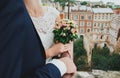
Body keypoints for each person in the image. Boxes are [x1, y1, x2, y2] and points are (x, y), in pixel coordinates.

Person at [0, 0, 76, 78]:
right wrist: (51, 52)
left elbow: (64, 45)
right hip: (35, 73)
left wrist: (66, 60)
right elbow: (15, 61)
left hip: (55, 73)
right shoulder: (15, 17)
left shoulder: (53, 13)